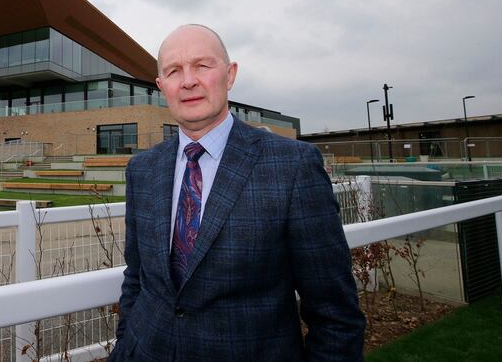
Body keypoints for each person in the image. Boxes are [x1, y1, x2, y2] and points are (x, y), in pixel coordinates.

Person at [110, 25, 365, 361]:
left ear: (230, 75)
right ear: (162, 86)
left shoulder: (292, 166)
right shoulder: (142, 169)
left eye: (202, 65)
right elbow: (137, 277)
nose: (188, 81)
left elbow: (334, 314)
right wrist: (126, 344)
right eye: (174, 71)